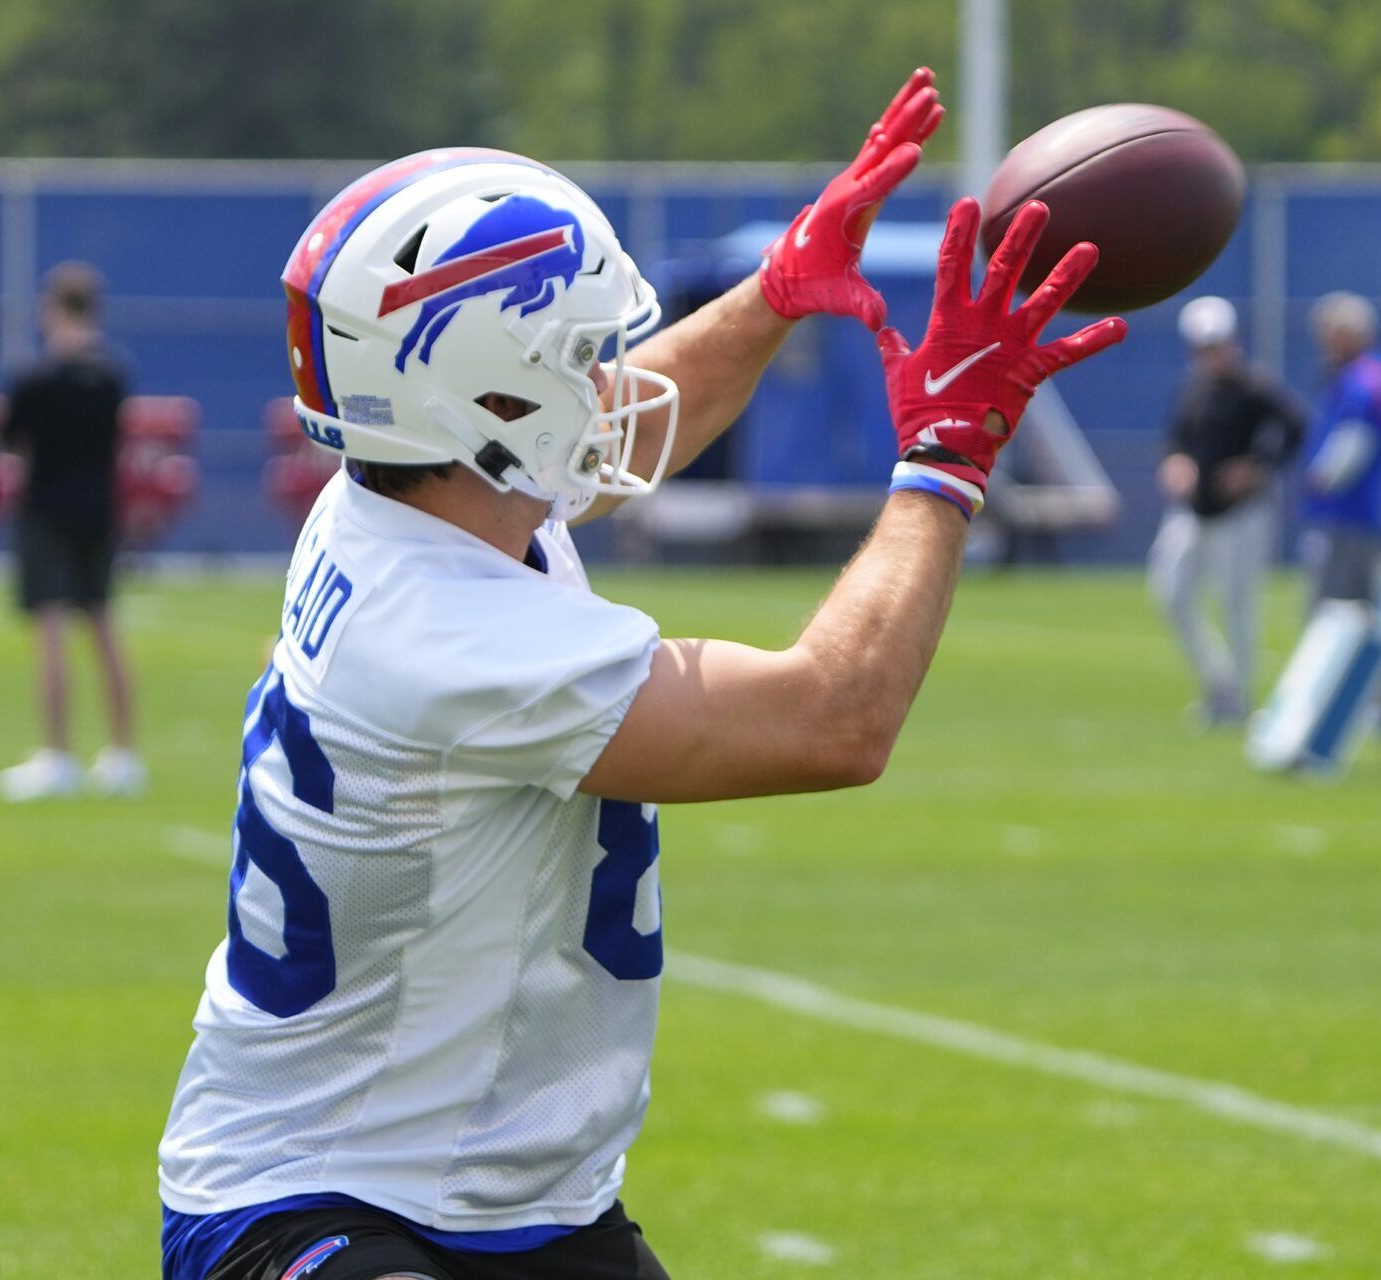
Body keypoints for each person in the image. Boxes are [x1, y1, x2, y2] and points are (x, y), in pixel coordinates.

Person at [158, 69, 1127, 1280]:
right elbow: (835, 716)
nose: (603, 377)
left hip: (522, 1194)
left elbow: (618, 430)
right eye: (576, 353)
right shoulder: (452, 629)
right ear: (490, 395)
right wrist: (944, 458)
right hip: (319, 1195)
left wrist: (774, 296)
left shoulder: (432, 491)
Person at [0, 261, 144, 801]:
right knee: (104, 627)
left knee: (52, 630)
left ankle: (57, 755)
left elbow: (8, 441)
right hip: (100, 511)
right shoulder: (113, 375)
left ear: (52, 307)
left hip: (46, 510)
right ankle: (124, 755)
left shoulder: (36, 379)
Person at [1147, 296, 1305, 725]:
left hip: (1241, 514)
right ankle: (1221, 682)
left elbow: (1295, 427)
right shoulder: (1192, 388)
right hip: (1193, 510)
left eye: (1216, 345)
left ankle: (1241, 699)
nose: (1210, 355)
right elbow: (1178, 439)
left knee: (1237, 604)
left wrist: (1255, 468)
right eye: (1202, 347)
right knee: (1170, 591)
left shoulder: (1254, 388)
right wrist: (1176, 463)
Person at [1299, 291, 1381, 607]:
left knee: (1336, 613)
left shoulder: (1365, 379)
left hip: (1349, 513)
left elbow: (1356, 439)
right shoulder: (1362, 375)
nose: (1324, 345)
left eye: (1328, 335)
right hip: (1349, 513)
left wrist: (1323, 477)